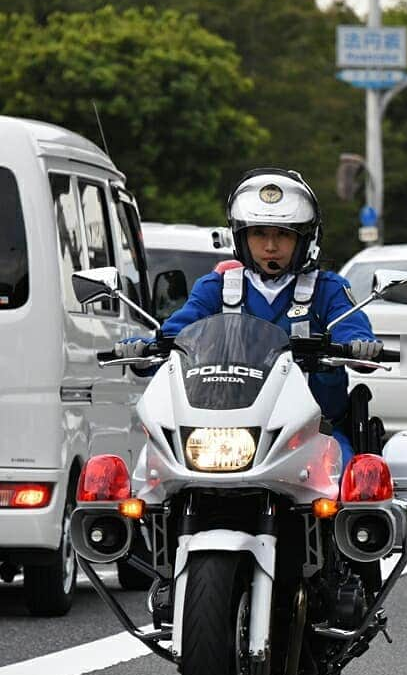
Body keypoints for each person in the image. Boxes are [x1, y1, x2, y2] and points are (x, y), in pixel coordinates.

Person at [119, 167, 381, 465]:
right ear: (241, 236)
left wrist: (360, 344)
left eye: (283, 234)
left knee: (352, 484)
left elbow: (352, 327)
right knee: (149, 482)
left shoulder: (328, 289)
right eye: (258, 234)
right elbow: (177, 332)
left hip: (316, 432)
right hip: (222, 431)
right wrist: (144, 346)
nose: (270, 246)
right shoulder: (215, 287)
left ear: (306, 238)